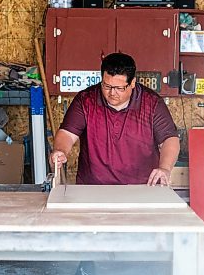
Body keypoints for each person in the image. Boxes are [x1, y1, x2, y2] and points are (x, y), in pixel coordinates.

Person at [50, 53, 180, 186]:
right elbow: (67, 134)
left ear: (132, 83)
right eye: (106, 86)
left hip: (142, 187)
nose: (112, 93)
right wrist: (60, 151)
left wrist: (165, 168)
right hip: (92, 188)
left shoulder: (152, 103)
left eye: (119, 88)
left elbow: (169, 139)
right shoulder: (86, 100)